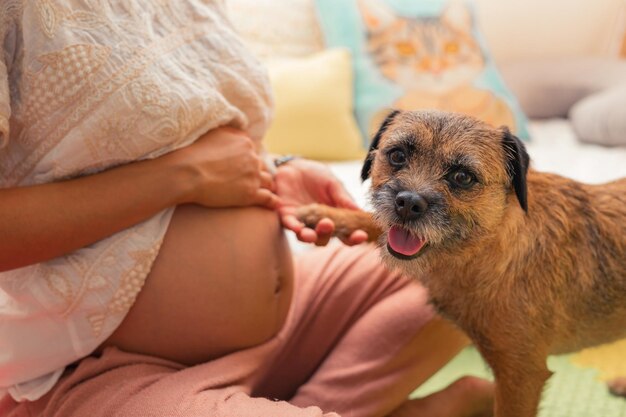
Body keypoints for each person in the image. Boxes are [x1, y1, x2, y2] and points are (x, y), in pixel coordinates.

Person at [0, 1, 493, 416]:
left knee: (484, 270)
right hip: (106, 371)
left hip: (292, 317)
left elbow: (196, 130)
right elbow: (189, 165)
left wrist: (273, 168)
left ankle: (315, 404)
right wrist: (183, 175)